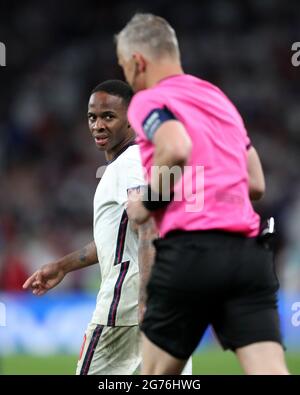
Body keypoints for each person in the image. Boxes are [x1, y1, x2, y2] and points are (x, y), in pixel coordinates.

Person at [115, 13, 289, 375]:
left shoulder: (148, 101)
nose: (128, 78)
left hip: (190, 254)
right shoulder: (218, 99)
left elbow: (175, 146)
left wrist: (144, 205)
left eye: (124, 66)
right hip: (248, 256)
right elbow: (256, 182)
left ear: (137, 62)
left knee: (153, 378)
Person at [22, 80, 159, 375]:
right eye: (92, 117)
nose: (98, 125)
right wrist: (63, 266)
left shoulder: (130, 165)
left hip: (125, 307)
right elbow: (119, 239)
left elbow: (149, 226)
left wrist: (147, 300)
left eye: (108, 116)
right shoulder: (140, 162)